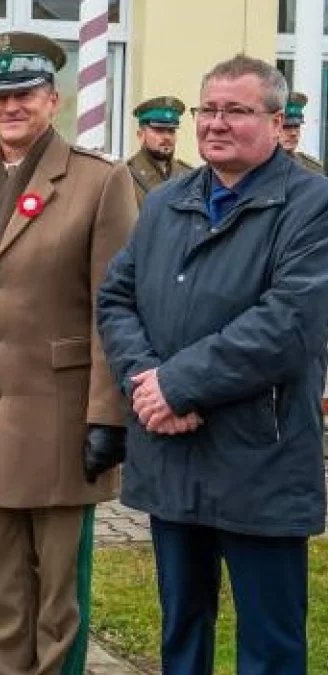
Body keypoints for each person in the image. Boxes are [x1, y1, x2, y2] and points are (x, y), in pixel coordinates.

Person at [98, 54, 328, 675]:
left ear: (276, 120)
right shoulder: (168, 201)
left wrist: (175, 384)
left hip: (262, 460)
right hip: (173, 458)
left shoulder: (312, 204)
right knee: (182, 633)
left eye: (237, 110)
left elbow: (289, 323)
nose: (215, 124)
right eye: (209, 110)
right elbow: (116, 296)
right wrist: (145, 382)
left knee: (270, 646)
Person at [0, 31, 136, 675]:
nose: (10, 107)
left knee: (58, 603)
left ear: (53, 100)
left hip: (64, 420)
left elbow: (114, 308)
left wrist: (108, 415)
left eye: (24, 95)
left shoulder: (101, 182)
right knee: (3, 594)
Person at [126, 96, 195, 205]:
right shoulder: (126, 175)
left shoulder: (189, 175)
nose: (167, 137)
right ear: (141, 135)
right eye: (159, 130)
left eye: (171, 131)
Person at [278, 91, 324, 173]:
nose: (294, 133)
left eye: (297, 126)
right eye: (286, 127)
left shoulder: (312, 168)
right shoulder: (253, 167)